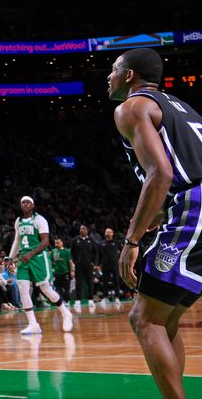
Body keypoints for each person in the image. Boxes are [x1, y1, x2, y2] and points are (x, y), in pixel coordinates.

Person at [108, 47, 202, 399]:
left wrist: (131, 242)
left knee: (144, 318)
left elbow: (160, 172)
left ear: (129, 74)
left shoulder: (131, 107)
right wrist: (160, 215)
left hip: (194, 204)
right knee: (165, 318)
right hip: (194, 204)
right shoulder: (180, 105)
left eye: (114, 69)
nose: (109, 76)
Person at [9, 196, 74, 334]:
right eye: (23, 203)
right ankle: (33, 324)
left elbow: (45, 242)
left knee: (46, 289)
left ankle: (66, 313)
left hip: (38, 257)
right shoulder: (18, 221)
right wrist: (10, 258)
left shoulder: (39, 220)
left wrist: (30, 254)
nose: (25, 205)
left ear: (33, 206)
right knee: (22, 288)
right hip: (24, 258)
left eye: (28, 202)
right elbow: (17, 241)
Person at [71, 225, 98, 311]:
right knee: (78, 283)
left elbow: (96, 252)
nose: (82, 230)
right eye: (81, 228)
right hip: (79, 265)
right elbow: (72, 252)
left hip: (89, 265)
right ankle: (78, 301)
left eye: (84, 229)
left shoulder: (91, 240)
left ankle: (91, 300)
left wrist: (94, 263)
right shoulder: (75, 240)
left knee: (90, 283)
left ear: (87, 230)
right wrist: (75, 261)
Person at [99, 228, 122, 304]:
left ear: (112, 233)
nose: (108, 233)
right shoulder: (101, 243)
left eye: (110, 232)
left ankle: (117, 297)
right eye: (107, 232)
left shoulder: (116, 243)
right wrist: (99, 264)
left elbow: (121, 253)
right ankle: (105, 297)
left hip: (115, 264)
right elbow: (99, 255)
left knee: (116, 281)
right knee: (105, 281)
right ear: (105, 233)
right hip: (105, 265)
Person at [49, 239, 74, 305]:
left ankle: (67, 301)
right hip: (56, 273)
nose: (56, 243)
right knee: (58, 288)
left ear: (62, 243)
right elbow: (51, 261)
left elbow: (70, 262)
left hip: (65, 272)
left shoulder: (66, 251)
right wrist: (51, 269)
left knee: (66, 288)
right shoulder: (53, 251)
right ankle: (61, 301)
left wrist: (72, 270)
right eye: (55, 242)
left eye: (58, 242)